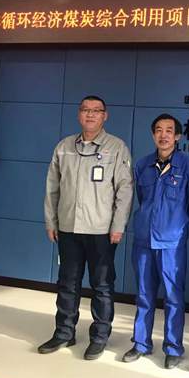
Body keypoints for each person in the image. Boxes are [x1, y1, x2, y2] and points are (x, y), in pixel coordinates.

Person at [39, 95, 133, 360]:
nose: (90, 114)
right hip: (68, 228)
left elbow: (124, 190)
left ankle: (99, 337)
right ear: (79, 114)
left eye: (96, 110)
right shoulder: (64, 147)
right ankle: (64, 333)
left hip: (101, 231)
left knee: (102, 285)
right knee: (67, 283)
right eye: (85, 110)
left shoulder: (116, 147)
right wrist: (51, 221)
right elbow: (52, 188)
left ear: (105, 116)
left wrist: (118, 225)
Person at [122, 113, 189, 369]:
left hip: (172, 243)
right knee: (144, 295)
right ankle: (141, 343)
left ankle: (173, 348)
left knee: (173, 297)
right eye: (158, 130)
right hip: (144, 240)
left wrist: (175, 224)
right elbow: (141, 198)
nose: (163, 135)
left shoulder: (188, 166)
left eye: (169, 130)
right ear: (153, 134)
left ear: (177, 136)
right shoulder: (142, 165)